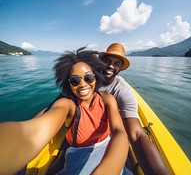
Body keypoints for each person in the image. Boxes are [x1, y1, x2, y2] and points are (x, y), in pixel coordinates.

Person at [0, 48, 130, 175]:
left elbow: (119, 132)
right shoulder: (68, 105)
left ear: (96, 77)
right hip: (79, 156)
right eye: (75, 80)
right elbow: (33, 132)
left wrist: (107, 170)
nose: (83, 84)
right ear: (69, 83)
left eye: (88, 78)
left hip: (108, 148)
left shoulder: (107, 99)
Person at [98, 43, 170, 175]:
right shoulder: (86, 79)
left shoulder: (122, 91)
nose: (110, 66)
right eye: (107, 60)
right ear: (100, 61)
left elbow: (136, 134)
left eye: (116, 63)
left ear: (120, 68)